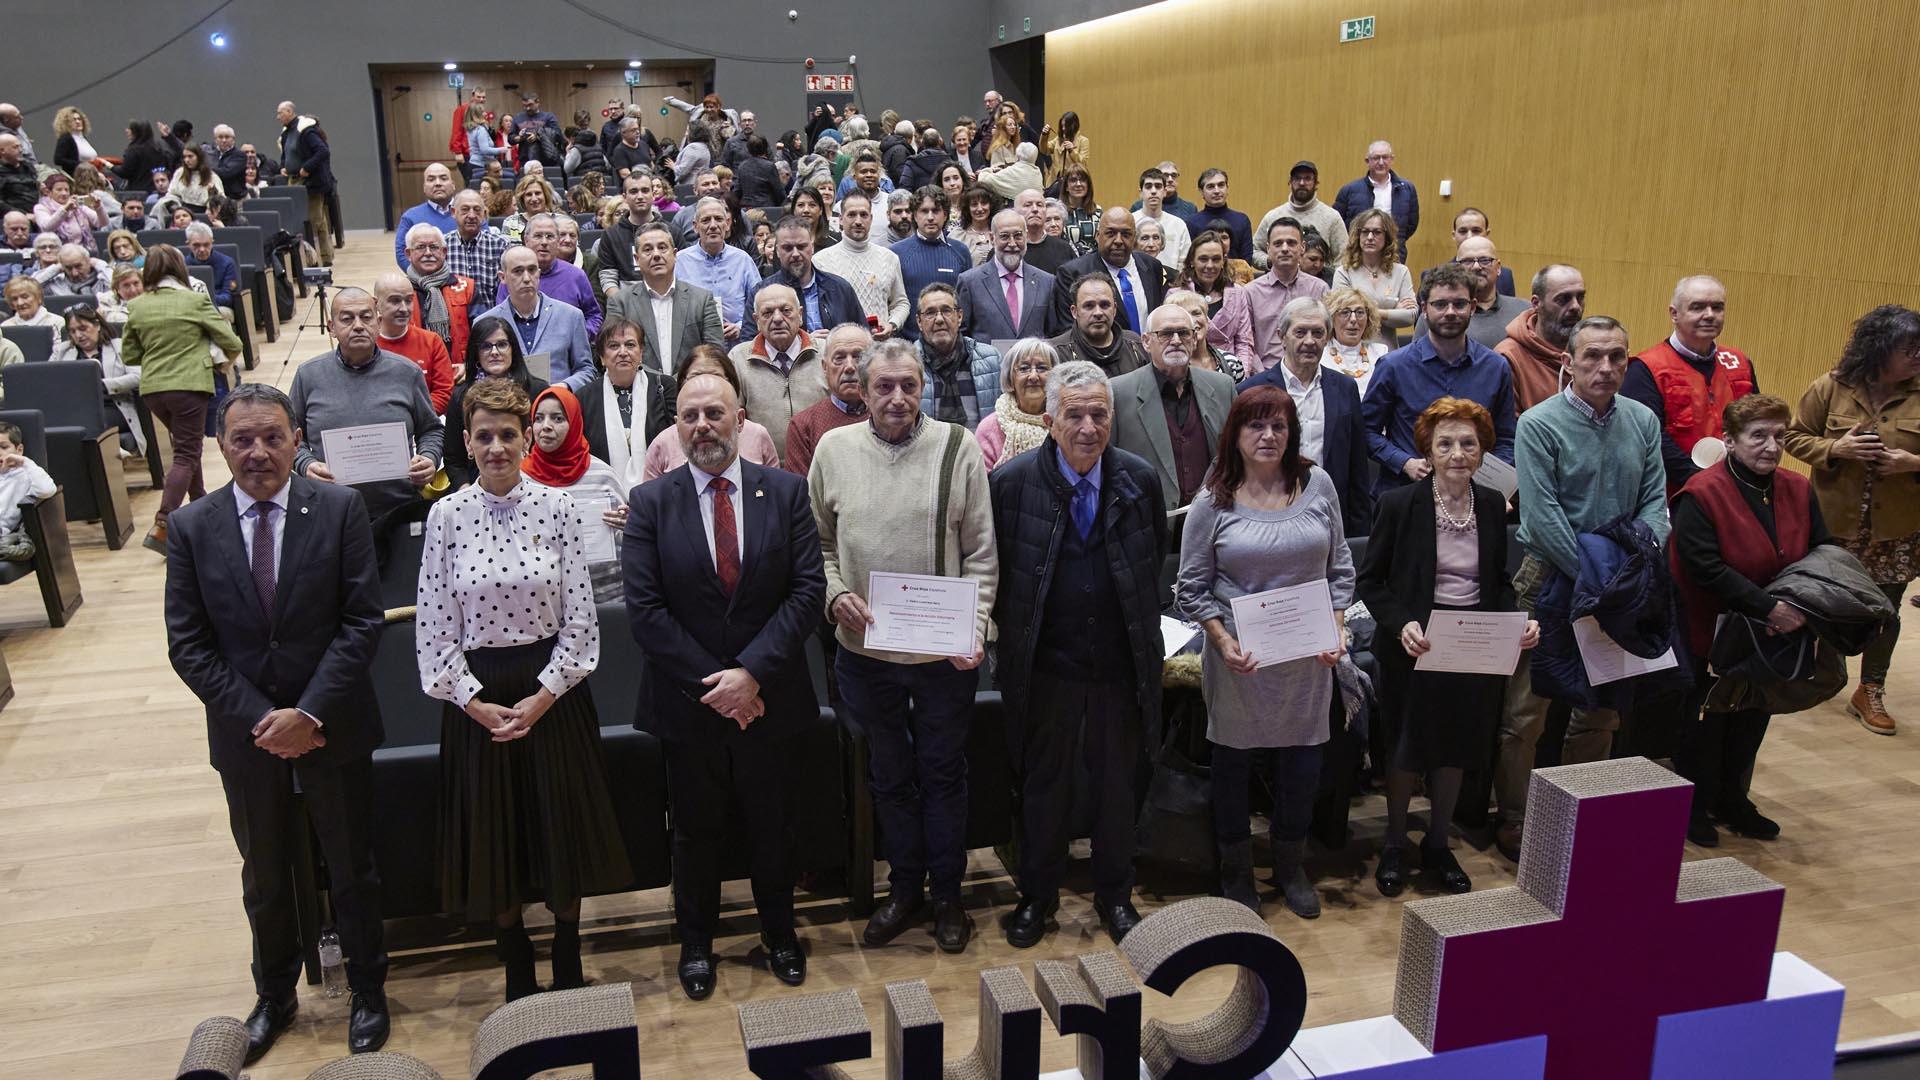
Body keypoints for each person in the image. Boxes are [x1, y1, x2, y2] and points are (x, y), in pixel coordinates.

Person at [163, 383, 391, 1063]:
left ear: (297, 440)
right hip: (248, 737)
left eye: (272, 436)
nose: (258, 451)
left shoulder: (341, 510)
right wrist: (266, 720)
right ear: (222, 445)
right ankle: (274, 994)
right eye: (242, 439)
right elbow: (189, 645)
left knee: (352, 867)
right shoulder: (191, 527)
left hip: (334, 724)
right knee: (264, 874)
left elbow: (361, 622)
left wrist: (309, 711)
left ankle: (370, 991)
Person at [415, 376, 629, 1002]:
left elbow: (582, 619)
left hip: (551, 696)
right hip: (478, 699)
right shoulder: (445, 515)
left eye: (509, 434)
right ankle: (515, 963)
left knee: (560, 829)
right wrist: (472, 702)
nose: (498, 447)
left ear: (527, 436)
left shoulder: (559, 508)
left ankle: (566, 952)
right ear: (467, 442)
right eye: (484, 436)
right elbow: (432, 626)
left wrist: (542, 696)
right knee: (495, 835)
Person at [623, 367, 825, 999]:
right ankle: (695, 946)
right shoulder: (651, 503)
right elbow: (646, 611)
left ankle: (780, 935)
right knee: (694, 832)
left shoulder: (786, 492)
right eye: (690, 416)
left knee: (775, 825)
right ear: (676, 428)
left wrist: (752, 675)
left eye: (715, 413)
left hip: (771, 701)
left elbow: (807, 591)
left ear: (741, 419)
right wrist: (719, 684)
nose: (703, 426)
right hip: (689, 704)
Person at [809, 337, 997, 953]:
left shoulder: (956, 446)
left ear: (923, 388)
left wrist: (976, 627)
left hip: (944, 656)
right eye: (883, 386)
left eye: (908, 385)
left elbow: (981, 554)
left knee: (943, 775)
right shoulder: (834, 451)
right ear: (859, 389)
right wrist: (836, 597)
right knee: (889, 777)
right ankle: (904, 887)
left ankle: (948, 894)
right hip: (865, 656)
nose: (896, 398)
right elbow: (820, 547)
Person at [990, 358, 1165, 946]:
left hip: (1120, 668)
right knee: (1046, 789)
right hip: (1048, 668)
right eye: (1075, 414)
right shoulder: (1011, 484)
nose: (1088, 427)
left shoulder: (1139, 480)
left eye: (1099, 414)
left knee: (1119, 787)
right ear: (1048, 419)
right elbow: (1002, 581)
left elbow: (1150, 568)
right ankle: (1037, 898)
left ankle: (1116, 897)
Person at [1177, 384, 1352, 918]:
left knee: (1302, 764)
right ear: (1236, 432)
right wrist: (1223, 642)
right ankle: (1235, 870)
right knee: (1233, 766)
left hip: (1307, 658)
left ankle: (1290, 864)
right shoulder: (1214, 499)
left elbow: (1340, 568)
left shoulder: (1316, 484)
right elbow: (1190, 587)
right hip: (1240, 661)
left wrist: (1338, 630)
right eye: (1256, 425)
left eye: (1279, 425)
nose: (1269, 435)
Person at [1497, 316, 1668, 859]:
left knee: (1600, 710)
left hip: (1620, 586)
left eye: (1617, 356)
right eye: (1593, 356)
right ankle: (1517, 819)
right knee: (1526, 713)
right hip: (1550, 580)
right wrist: (1603, 582)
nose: (1606, 367)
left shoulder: (1642, 420)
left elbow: (1656, 507)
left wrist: (1624, 580)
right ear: (1568, 362)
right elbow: (1544, 520)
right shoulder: (1539, 424)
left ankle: (1573, 813)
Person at [1357, 397, 1538, 897]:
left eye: (1468, 443)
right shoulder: (1398, 504)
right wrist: (1402, 626)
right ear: (1428, 452)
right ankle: (1395, 841)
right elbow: (1371, 582)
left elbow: (1499, 581)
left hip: (1471, 645)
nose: (1458, 453)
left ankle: (1438, 842)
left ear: (1482, 451)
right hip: (1415, 644)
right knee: (1406, 746)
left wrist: (1517, 622)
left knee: (1456, 745)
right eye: (1445, 444)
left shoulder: (1490, 504)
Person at [1672, 393, 1835, 844]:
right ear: (1729, 440)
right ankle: (1693, 806)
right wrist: (1769, 608)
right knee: (1707, 722)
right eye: (1757, 436)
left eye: (1779, 436)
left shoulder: (1798, 488)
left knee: (1754, 713)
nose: (1770, 446)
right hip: (1717, 628)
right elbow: (1705, 567)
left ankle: (1733, 799)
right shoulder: (1702, 493)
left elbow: (1822, 549)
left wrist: (1801, 604)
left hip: (1778, 628)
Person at [1784, 304, 1920, 737]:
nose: (1918, 357)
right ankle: (1817, 675)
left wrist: (1911, 462)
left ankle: (1870, 689)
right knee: (1824, 603)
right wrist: (1835, 451)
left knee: (1887, 610)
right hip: (1834, 523)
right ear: (1881, 348)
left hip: (1895, 527)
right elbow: (1792, 436)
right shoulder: (1830, 386)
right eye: (1910, 349)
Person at [290, 289, 443, 537]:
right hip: (329, 512)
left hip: (398, 510)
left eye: (366, 317)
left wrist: (429, 457)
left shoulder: (406, 372)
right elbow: (290, 437)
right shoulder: (308, 375)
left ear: (379, 322)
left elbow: (431, 430)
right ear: (331, 327)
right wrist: (305, 464)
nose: (358, 326)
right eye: (347, 319)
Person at [122, 245, 246, 552]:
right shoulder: (194, 300)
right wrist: (218, 359)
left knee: (185, 448)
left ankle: (199, 506)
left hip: (153, 390)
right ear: (180, 267)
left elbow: (130, 353)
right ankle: (164, 524)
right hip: (188, 386)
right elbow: (232, 340)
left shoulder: (137, 306)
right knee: (187, 454)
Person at [1361, 263, 1517, 494]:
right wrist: (1404, 462)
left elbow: (1506, 438)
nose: (1451, 312)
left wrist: (1487, 479)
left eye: (1459, 304)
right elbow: (1365, 430)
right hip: (1406, 491)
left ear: (1473, 307)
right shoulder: (1393, 366)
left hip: (1471, 494)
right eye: (1440, 304)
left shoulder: (1495, 367)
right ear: (1424, 308)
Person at [1237, 298, 1373, 538]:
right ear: (1282, 335)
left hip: (1331, 514)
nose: (1309, 341)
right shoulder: (1251, 391)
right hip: (1269, 516)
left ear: (1328, 336)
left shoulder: (1345, 388)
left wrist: (1360, 533)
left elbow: (1357, 466)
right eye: (1300, 332)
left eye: (1318, 333)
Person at [1623, 275, 1759, 493]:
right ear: (1674, 314)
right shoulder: (1645, 368)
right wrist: (1703, 483)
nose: (1709, 315)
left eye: (1717, 307)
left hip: (1737, 488)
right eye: (1697, 307)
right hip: (1675, 494)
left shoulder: (1739, 362)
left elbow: (1757, 424)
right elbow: (1650, 439)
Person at [1110, 302, 1237, 510]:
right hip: (1149, 522)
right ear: (1146, 341)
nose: (1176, 341)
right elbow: (1111, 466)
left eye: (1184, 333)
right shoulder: (1118, 392)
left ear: (1194, 339)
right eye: (1166, 333)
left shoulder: (1223, 387)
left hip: (1213, 517)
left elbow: (1233, 456)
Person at [522, 384, 628, 602]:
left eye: (558, 418)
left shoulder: (603, 475)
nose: (546, 426)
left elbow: (627, 538)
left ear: (575, 422)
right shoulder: (520, 480)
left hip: (606, 597)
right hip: (544, 603)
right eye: (539, 418)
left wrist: (626, 523)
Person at [642, 345, 780, 480]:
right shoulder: (662, 443)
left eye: (715, 376)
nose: (705, 383)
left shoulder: (758, 435)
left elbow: (775, 490)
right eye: (695, 377)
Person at [604, 221, 722, 375]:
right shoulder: (620, 302)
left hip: (692, 387)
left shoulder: (702, 299)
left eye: (662, 248)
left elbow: (715, 353)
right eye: (647, 249)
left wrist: (681, 380)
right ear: (637, 258)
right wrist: (659, 383)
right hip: (640, 388)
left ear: (674, 254)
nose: (656, 255)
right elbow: (615, 354)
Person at [445, 317, 549, 489]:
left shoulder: (538, 390)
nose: (494, 352)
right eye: (486, 346)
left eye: (501, 344)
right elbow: (454, 459)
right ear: (476, 352)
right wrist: (469, 495)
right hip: (476, 487)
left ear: (512, 350)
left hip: (534, 484)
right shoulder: (461, 395)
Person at [475, 246, 594, 392]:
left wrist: (563, 387)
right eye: (518, 271)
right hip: (505, 408)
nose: (526, 278)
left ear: (539, 274)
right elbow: (478, 374)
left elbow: (587, 370)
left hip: (557, 406)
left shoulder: (571, 316)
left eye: (531, 270)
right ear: (502, 277)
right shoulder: (485, 322)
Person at [730, 284, 826, 459]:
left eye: (786, 310)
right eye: (767, 313)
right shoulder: (738, 359)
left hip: (822, 464)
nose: (777, 319)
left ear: (801, 314)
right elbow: (733, 422)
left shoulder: (826, 354)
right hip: (766, 470)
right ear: (757, 320)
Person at [1049, 206, 1166, 339]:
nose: (1118, 241)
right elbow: (1068, 331)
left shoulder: (1151, 266)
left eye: (1126, 234)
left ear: (1134, 238)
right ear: (1098, 236)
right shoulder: (1073, 273)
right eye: (1110, 234)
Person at [743, 215, 864, 338]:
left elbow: (862, 336)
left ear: (812, 247)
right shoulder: (761, 294)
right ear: (778, 251)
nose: (795, 254)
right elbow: (748, 344)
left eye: (801, 247)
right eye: (788, 248)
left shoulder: (840, 288)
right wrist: (805, 342)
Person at [814, 191, 911, 340]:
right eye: (852, 215)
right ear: (840, 219)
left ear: (871, 219)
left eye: (864, 215)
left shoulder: (889, 258)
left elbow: (901, 303)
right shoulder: (820, 261)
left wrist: (892, 324)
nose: (858, 221)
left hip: (880, 348)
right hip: (840, 349)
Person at [1241, 217, 1331, 373]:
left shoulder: (1320, 289)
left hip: (1311, 373)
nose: (1284, 248)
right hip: (1265, 375)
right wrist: (1264, 376)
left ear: (1302, 247)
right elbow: (1245, 342)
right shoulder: (1250, 292)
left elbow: (1328, 338)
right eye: (1278, 243)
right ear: (1268, 249)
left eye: (1291, 243)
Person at [783, 323, 872, 477]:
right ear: (825, 367)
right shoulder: (803, 426)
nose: (850, 367)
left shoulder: (891, 416)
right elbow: (801, 495)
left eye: (859, 357)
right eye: (839, 358)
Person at [1495, 263, 1587, 412]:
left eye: (1580, 297)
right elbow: (1510, 432)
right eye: (1563, 299)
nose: (1576, 307)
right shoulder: (1508, 358)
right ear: (1536, 303)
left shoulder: (1590, 351)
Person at [1411, 236, 1530, 350]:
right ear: (1457, 267)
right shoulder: (1435, 314)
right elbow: (1415, 362)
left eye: (1485, 260)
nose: (1476, 267)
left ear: (1498, 267)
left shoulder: (1524, 311)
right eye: (1468, 261)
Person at [55, 304, 145, 454]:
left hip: (114, 407)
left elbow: (139, 377)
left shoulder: (120, 347)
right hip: (77, 409)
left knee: (86, 420)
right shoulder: (62, 352)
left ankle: (109, 450)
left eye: (82, 328)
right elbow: (50, 380)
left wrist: (102, 385)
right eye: (72, 331)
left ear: (97, 325)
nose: (78, 335)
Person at [957, 208, 1054, 344]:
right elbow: (961, 335)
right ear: (992, 238)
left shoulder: (1046, 282)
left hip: (1032, 363)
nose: (1012, 243)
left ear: (1026, 237)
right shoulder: (970, 282)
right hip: (988, 364)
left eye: (1018, 236)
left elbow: (1053, 334)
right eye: (1004, 236)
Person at [889, 187, 972, 342]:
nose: (930, 217)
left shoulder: (960, 251)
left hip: (953, 343)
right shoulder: (896, 253)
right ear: (914, 215)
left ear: (945, 214)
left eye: (936, 211)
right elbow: (894, 302)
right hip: (910, 344)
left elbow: (967, 304)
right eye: (924, 211)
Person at [674, 196, 760, 345]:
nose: (713, 225)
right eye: (706, 220)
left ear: (727, 224)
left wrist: (740, 326)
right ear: (695, 226)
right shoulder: (679, 262)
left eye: (718, 219)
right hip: (694, 346)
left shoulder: (743, 260)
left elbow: (759, 303)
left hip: (737, 345)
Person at [914, 283, 1001, 429]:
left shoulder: (991, 360)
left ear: (959, 316)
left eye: (946, 311)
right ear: (919, 322)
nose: (939, 319)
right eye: (930, 313)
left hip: (980, 450)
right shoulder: (907, 364)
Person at [372, 272, 455, 415]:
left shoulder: (432, 341)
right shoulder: (365, 345)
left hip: (424, 424)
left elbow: (444, 392)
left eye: (409, 300)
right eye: (395, 301)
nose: (404, 309)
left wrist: (413, 419)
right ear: (376, 303)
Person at [1332, 210, 1416, 347]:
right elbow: (1344, 314)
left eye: (1377, 232)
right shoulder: (1344, 272)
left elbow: (1410, 316)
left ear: (1387, 237)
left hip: (1388, 352)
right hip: (1352, 351)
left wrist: (1364, 310)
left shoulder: (1401, 272)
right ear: (1358, 236)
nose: (1370, 237)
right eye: (1365, 232)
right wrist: (1393, 308)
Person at [974, 337, 1058, 470]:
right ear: (1010, 377)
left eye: (1042, 368)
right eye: (1024, 369)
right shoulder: (989, 429)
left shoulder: (1065, 422)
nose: (1033, 376)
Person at [403, 223, 479, 366]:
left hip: (461, 372)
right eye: (420, 247)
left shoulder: (467, 287)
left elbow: (482, 333)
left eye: (434, 247)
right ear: (408, 254)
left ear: (444, 252)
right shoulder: (400, 292)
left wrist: (470, 366)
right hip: (415, 374)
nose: (428, 253)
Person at [1253, 161, 1348, 273]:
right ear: (1290, 182)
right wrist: (1271, 261)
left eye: (1308, 178)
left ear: (1316, 184)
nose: (1302, 183)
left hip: (1320, 285)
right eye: (1297, 178)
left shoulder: (1332, 217)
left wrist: (1330, 279)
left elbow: (1344, 256)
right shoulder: (1273, 216)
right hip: (1278, 284)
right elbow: (1254, 251)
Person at [1048, 274, 1150, 377]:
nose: (1098, 312)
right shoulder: (1056, 352)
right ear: (1074, 312)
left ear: (1114, 309)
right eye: (1089, 306)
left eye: (1105, 305)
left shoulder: (1135, 345)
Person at [1332, 141, 1419, 258]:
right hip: (1358, 254)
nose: (1381, 162)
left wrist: (1392, 239)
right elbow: (1338, 222)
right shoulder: (1350, 190)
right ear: (1367, 161)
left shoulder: (1407, 189)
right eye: (1376, 158)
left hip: (1394, 253)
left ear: (1392, 159)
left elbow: (1411, 223)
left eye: (1385, 157)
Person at [276, 102, 334, 266]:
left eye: (280, 113)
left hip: (310, 183)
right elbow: (286, 153)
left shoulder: (306, 130)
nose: (278, 117)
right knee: (315, 220)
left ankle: (318, 261)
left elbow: (323, 151)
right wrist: (283, 167)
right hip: (294, 180)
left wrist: (306, 168)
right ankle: (321, 257)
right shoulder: (287, 132)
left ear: (289, 112)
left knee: (314, 222)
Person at [1322, 287, 1390, 396]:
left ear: (1368, 319)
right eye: (1345, 312)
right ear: (1331, 319)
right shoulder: (1321, 356)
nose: (1353, 319)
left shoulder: (1380, 353)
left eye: (1359, 312)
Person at [1166, 287, 1243, 381]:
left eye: (1196, 313)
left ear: (1207, 320)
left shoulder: (1231, 363)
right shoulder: (1167, 365)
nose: (1192, 320)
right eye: (1184, 314)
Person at [444, 189, 512, 291]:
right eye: (465, 209)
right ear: (453, 212)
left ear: (484, 214)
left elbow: (508, 291)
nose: (471, 215)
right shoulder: (442, 246)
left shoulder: (500, 246)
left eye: (477, 210)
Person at [395, 163, 457, 270]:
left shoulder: (470, 213)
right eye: (431, 179)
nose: (438, 183)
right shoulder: (410, 217)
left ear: (453, 185)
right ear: (424, 188)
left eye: (443, 178)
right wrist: (420, 278)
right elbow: (401, 253)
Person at [1440, 208, 1516, 295]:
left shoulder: (1504, 276)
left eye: (1476, 231)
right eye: (1463, 231)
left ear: (1487, 234)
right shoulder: (1435, 276)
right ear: (1454, 236)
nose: (1469, 236)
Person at [1131, 167, 1192, 273]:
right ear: (1141, 193)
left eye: (1158, 186)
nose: (1153, 191)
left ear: (1164, 192)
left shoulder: (1178, 224)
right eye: (1148, 187)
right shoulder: (1130, 222)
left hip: (1171, 283)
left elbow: (1185, 263)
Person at [32, 172, 105, 253]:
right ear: (49, 192)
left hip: (82, 252)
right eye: (59, 190)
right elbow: (47, 227)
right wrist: (65, 209)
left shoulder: (77, 205)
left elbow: (102, 223)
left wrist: (98, 207)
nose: (64, 193)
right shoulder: (41, 207)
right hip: (56, 254)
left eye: (66, 190)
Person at [184, 223, 238, 314]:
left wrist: (202, 297)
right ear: (188, 244)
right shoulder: (182, 265)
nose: (202, 249)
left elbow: (227, 298)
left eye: (206, 245)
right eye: (196, 245)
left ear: (212, 242)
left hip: (217, 306)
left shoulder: (227, 263)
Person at [976, 141, 1044, 203]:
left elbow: (984, 180)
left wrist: (988, 170)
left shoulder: (1012, 171)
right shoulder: (1037, 172)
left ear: (1017, 156)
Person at [167, 145, 225, 214]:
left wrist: (213, 195)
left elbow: (221, 200)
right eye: (184, 157)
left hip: (204, 213)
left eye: (190, 156)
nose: (187, 160)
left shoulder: (212, 177)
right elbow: (172, 193)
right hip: (183, 212)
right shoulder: (179, 173)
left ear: (199, 157)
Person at [51, 106, 100, 176]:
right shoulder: (66, 138)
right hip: (78, 178)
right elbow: (58, 159)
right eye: (73, 120)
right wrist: (81, 165)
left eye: (79, 119)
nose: (77, 122)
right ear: (66, 123)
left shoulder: (82, 138)